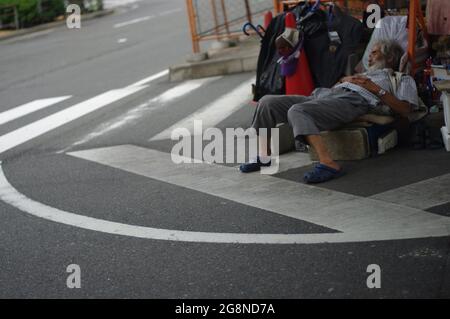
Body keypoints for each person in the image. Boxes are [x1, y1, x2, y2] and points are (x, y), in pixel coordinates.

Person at [240, 39, 419, 183]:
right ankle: (264, 156)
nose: (369, 57)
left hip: (354, 101)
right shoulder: (362, 75)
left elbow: (406, 109)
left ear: (389, 58)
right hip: (325, 95)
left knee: (298, 111)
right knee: (266, 102)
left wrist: (375, 89)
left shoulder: (400, 78)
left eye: (375, 52)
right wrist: (343, 81)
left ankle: (328, 163)